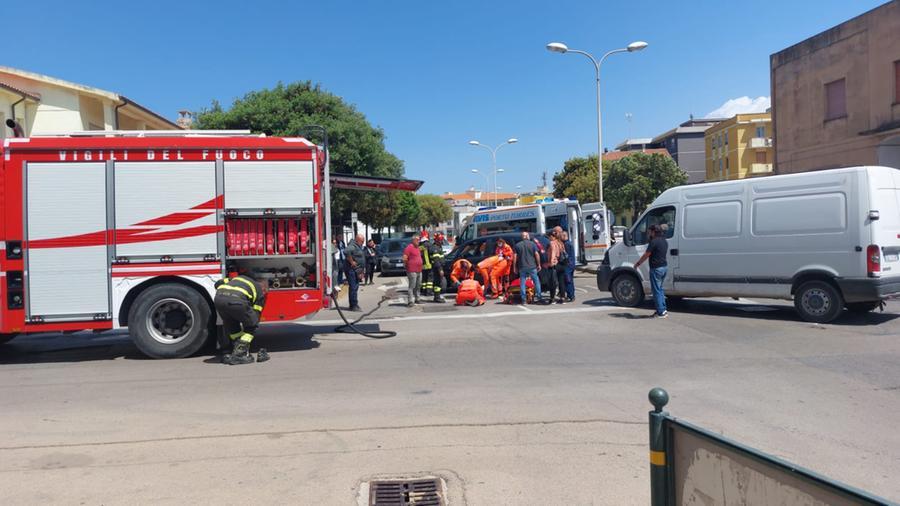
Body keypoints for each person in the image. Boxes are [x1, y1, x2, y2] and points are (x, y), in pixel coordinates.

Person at [214, 271, 268, 365]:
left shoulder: (238, 279)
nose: (264, 293)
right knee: (252, 325)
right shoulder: (259, 291)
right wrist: (249, 322)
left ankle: (237, 348)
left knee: (232, 323)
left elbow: (217, 284)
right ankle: (240, 354)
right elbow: (256, 316)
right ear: (263, 288)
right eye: (265, 291)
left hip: (219, 299)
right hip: (237, 300)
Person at [634, 224, 669, 318]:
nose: (649, 233)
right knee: (660, 290)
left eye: (650, 231)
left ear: (654, 231)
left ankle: (660, 312)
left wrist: (638, 264)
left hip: (656, 269)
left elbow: (646, 254)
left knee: (656, 291)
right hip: (664, 267)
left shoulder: (654, 242)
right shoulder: (664, 241)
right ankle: (663, 310)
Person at [514, 231, 544, 304]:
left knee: (522, 283)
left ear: (522, 237)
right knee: (536, 281)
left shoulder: (517, 245)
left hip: (522, 267)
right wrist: (539, 264)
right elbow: (537, 254)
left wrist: (514, 267)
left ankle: (523, 299)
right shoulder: (532, 244)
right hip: (532, 266)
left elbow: (515, 257)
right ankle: (539, 297)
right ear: (527, 236)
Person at [343, 234, 365, 312]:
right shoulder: (353, 245)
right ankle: (353, 305)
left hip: (356, 270)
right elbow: (346, 251)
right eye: (362, 241)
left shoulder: (357, 246)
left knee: (355, 287)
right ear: (358, 240)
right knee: (353, 287)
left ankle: (353, 304)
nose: (363, 243)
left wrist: (361, 271)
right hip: (351, 270)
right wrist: (351, 261)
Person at [403, 235, 424, 307]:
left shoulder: (418, 248)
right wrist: (406, 266)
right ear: (413, 240)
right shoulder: (409, 248)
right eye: (417, 240)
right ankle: (410, 301)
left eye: (419, 240)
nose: (419, 241)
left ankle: (417, 299)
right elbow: (405, 258)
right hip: (412, 270)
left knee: (418, 285)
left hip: (419, 270)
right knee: (412, 286)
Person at [547, 229, 567, 304]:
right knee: (561, 281)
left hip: (555, 264)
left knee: (552, 282)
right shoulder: (560, 242)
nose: (549, 238)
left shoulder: (552, 243)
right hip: (562, 263)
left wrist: (551, 261)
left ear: (552, 236)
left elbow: (553, 252)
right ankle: (562, 297)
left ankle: (552, 298)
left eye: (549, 237)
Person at [428, 233, 447, 303]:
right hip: (436, 269)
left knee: (438, 283)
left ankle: (437, 297)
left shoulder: (438, 247)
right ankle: (437, 297)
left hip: (438, 268)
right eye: (440, 240)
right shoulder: (435, 248)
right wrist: (440, 270)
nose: (441, 242)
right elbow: (436, 260)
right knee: (437, 283)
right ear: (437, 240)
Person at [562, 231, 576, 302]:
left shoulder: (566, 244)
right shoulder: (569, 243)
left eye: (562, 236)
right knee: (571, 280)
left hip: (568, 265)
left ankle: (571, 296)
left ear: (565, 236)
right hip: (572, 264)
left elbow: (566, 255)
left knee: (568, 281)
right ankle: (572, 295)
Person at [419, 231, 433, 296]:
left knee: (424, 279)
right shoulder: (428, 244)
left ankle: (423, 291)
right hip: (429, 264)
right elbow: (431, 254)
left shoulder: (420, 245)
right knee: (429, 279)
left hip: (423, 265)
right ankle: (429, 292)